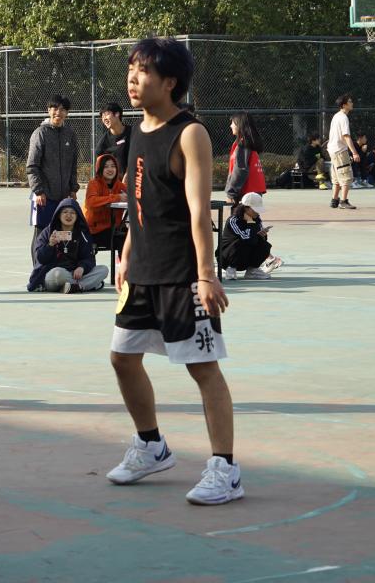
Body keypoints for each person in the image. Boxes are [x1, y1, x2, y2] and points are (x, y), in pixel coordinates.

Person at [111, 38, 240, 506]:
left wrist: (206, 275)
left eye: (143, 71)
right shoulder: (136, 132)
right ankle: (151, 446)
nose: (133, 78)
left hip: (182, 274)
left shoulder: (190, 133)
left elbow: (199, 211)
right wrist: (128, 251)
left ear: (170, 82)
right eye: (131, 68)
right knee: (123, 358)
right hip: (142, 272)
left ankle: (225, 469)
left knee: (202, 368)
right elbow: (140, 198)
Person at [26, 95, 79, 265]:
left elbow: (73, 165)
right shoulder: (40, 133)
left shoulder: (70, 134)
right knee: (42, 234)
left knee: (63, 234)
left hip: (64, 197)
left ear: (67, 113)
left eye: (63, 109)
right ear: (48, 110)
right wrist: (39, 191)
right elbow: (32, 166)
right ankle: (38, 271)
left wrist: (73, 189)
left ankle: (58, 268)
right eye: (55, 108)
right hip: (44, 196)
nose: (58, 112)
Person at [27, 199, 107, 294]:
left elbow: (89, 258)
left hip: (75, 274)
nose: (68, 215)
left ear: (77, 216)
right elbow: (40, 258)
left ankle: (74, 286)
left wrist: (82, 267)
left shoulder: (82, 234)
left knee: (103, 270)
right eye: (65, 212)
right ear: (59, 215)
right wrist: (50, 245)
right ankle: (86, 285)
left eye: (72, 213)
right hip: (54, 274)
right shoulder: (48, 232)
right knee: (57, 274)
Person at [219, 192, 283, 281]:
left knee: (264, 244)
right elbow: (246, 238)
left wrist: (262, 235)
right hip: (227, 257)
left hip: (244, 258)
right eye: (255, 209)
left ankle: (252, 270)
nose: (257, 212)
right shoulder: (233, 220)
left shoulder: (257, 219)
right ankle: (230, 268)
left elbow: (253, 240)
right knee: (239, 242)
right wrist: (250, 223)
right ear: (246, 208)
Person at [84, 153, 128, 249]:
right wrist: (116, 197)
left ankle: (127, 259)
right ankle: (125, 258)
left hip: (116, 228)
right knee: (122, 239)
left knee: (134, 236)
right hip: (96, 230)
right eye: (106, 166)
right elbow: (91, 202)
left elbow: (134, 196)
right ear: (99, 169)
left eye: (113, 166)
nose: (110, 169)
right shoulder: (93, 184)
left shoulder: (120, 186)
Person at [327, 93, 361, 209]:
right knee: (346, 176)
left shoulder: (336, 116)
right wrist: (354, 153)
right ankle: (343, 201)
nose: (352, 103)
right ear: (344, 105)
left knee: (337, 177)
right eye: (350, 102)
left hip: (333, 150)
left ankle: (334, 200)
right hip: (340, 151)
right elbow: (346, 136)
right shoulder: (343, 118)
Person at [224, 112, 266, 204]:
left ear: (239, 125)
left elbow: (240, 169)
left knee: (240, 214)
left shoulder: (243, 144)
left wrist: (231, 194)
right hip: (253, 191)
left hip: (247, 192)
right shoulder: (247, 143)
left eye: (233, 123)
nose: (230, 126)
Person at [96, 102, 132, 179]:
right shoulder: (103, 143)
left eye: (106, 114)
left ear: (117, 114)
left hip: (136, 180)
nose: (104, 118)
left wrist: (128, 174)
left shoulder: (134, 133)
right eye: (102, 116)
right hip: (116, 183)